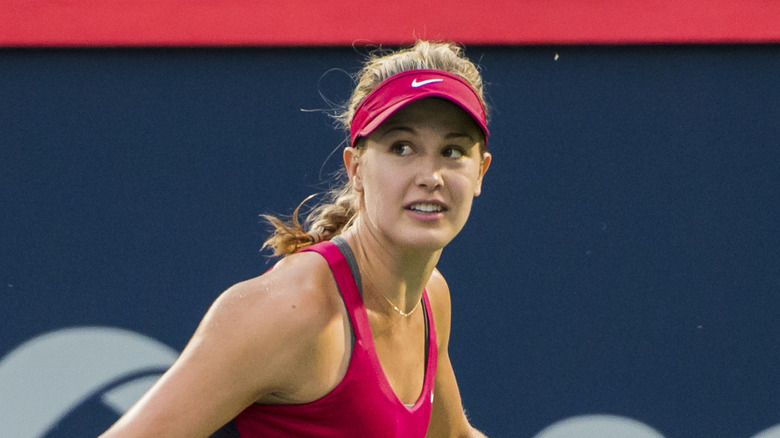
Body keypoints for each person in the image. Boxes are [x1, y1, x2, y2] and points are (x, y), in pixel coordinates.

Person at [100, 40, 493, 437]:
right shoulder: (296, 311)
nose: (430, 176)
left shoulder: (430, 299)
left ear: (481, 172)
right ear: (356, 169)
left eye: (453, 151)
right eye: (402, 147)